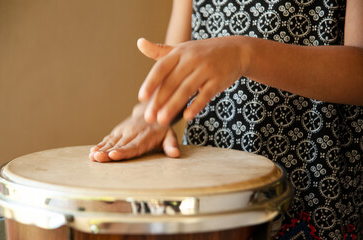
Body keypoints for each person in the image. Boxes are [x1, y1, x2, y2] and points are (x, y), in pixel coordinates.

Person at [90, 0, 363, 238]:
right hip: (210, 195)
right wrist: (151, 115)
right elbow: (178, 62)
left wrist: (243, 53)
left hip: (315, 187)